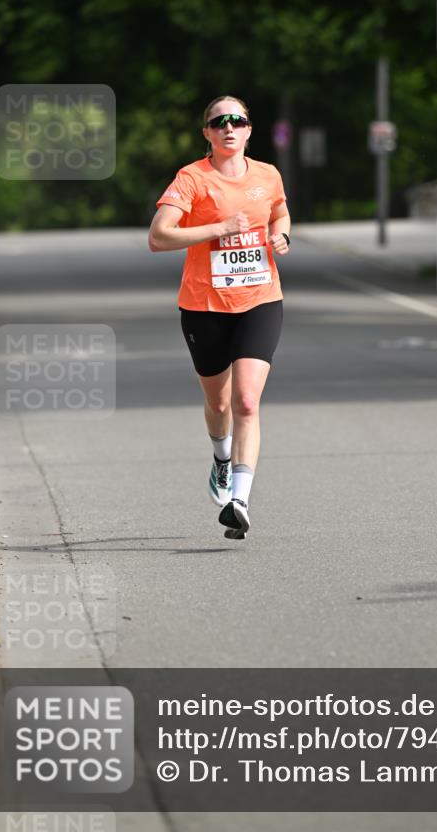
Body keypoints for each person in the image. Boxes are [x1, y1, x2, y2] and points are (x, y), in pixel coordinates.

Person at [148, 96, 291, 540]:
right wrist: (218, 229)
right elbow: (158, 237)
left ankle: (239, 501)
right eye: (219, 121)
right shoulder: (192, 178)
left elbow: (280, 211)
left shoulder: (267, 174)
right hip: (204, 306)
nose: (229, 127)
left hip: (260, 299)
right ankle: (221, 458)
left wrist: (281, 234)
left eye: (237, 120)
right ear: (207, 133)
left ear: (249, 129)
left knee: (246, 401)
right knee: (220, 404)